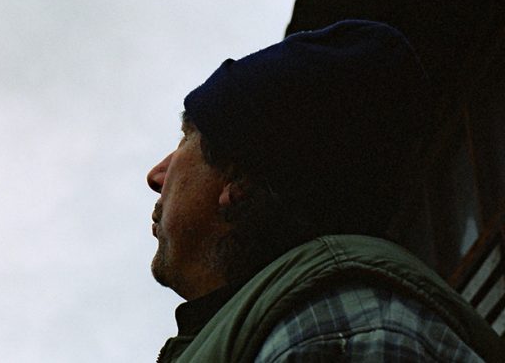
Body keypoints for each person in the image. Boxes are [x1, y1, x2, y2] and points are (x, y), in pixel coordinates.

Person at [146, 20, 504, 362]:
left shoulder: (333, 333)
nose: (156, 174)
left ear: (235, 180)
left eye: (186, 139)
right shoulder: (283, 330)